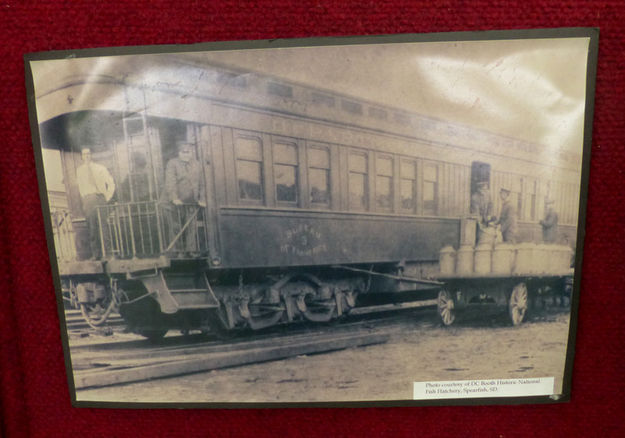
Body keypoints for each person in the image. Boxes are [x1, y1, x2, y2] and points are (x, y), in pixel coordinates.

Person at [163, 142, 206, 255]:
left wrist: (202, 199)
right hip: (173, 203)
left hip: (190, 201)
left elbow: (202, 183)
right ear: (179, 153)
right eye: (184, 152)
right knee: (175, 227)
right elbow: (170, 181)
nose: (187, 155)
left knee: (191, 228)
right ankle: (175, 253)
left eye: (189, 152)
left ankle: (190, 251)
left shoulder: (197, 165)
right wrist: (174, 198)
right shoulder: (172, 163)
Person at [76, 147, 116, 259]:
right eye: (84, 154)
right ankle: (96, 254)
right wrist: (85, 198)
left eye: (88, 153)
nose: (87, 156)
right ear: (82, 157)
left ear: (91, 155)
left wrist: (107, 197)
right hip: (88, 199)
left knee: (103, 226)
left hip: (100, 198)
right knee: (92, 227)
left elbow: (111, 183)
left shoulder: (100, 168)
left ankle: (108, 254)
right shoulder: (79, 170)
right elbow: (81, 187)